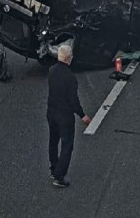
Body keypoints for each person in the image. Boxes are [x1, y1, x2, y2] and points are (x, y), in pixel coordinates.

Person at [47, 44, 91, 188]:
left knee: (53, 141)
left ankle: (53, 169)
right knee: (67, 145)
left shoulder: (51, 71)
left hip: (51, 112)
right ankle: (60, 176)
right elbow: (73, 101)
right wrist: (82, 115)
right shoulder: (70, 77)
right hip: (64, 116)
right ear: (68, 58)